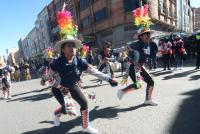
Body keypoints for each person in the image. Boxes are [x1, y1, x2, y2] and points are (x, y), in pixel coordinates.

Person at [41, 10, 118, 134]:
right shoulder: (57, 62)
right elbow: (50, 76)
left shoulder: (79, 60)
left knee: (84, 102)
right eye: (69, 46)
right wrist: (43, 80)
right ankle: (56, 114)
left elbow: (93, 71)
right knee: (66, 109)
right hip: (59, 88)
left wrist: (108, 79)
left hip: (72, 86)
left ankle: (85, 126)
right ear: (63, 50)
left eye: (73, 45)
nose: (73, 48)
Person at [114, 4, 158, 106]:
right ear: (140, 36)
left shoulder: (149, 45)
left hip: (139, 66)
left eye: (149, 34)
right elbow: (123, 48)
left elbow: (150, 54)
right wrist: (113, 51)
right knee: (139, 84)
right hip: (131, 66)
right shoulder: (136, 44)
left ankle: (148, 99)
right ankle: (122, 92)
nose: (148, 36)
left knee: (150, 82)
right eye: (145, 34)